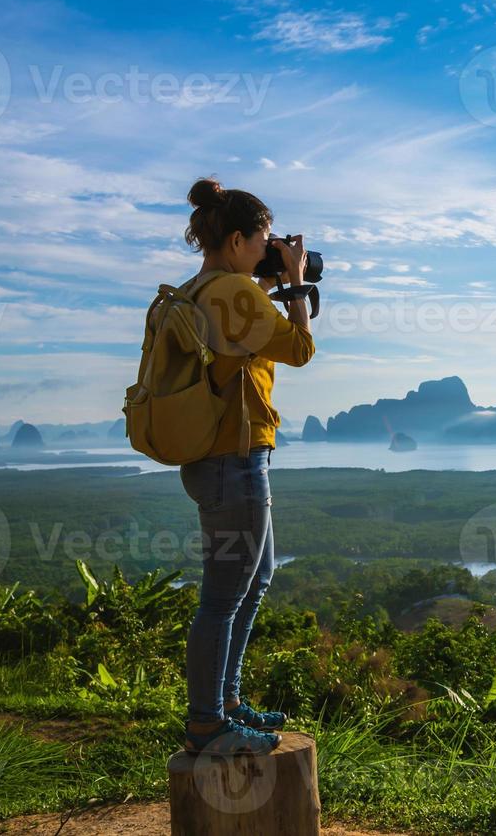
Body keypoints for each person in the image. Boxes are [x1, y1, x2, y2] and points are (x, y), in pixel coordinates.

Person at [176, 177, 316, 755]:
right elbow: (300, 349)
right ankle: (207, 722)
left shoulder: (202, 287)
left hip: (225, 459)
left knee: (255, 579)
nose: (269, 249)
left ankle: (226, 701)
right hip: (233, 462)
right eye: (262, 239)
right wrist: (298, 282)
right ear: (236, 240)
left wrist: (269, 281)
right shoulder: (234, 293)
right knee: (224, 594)